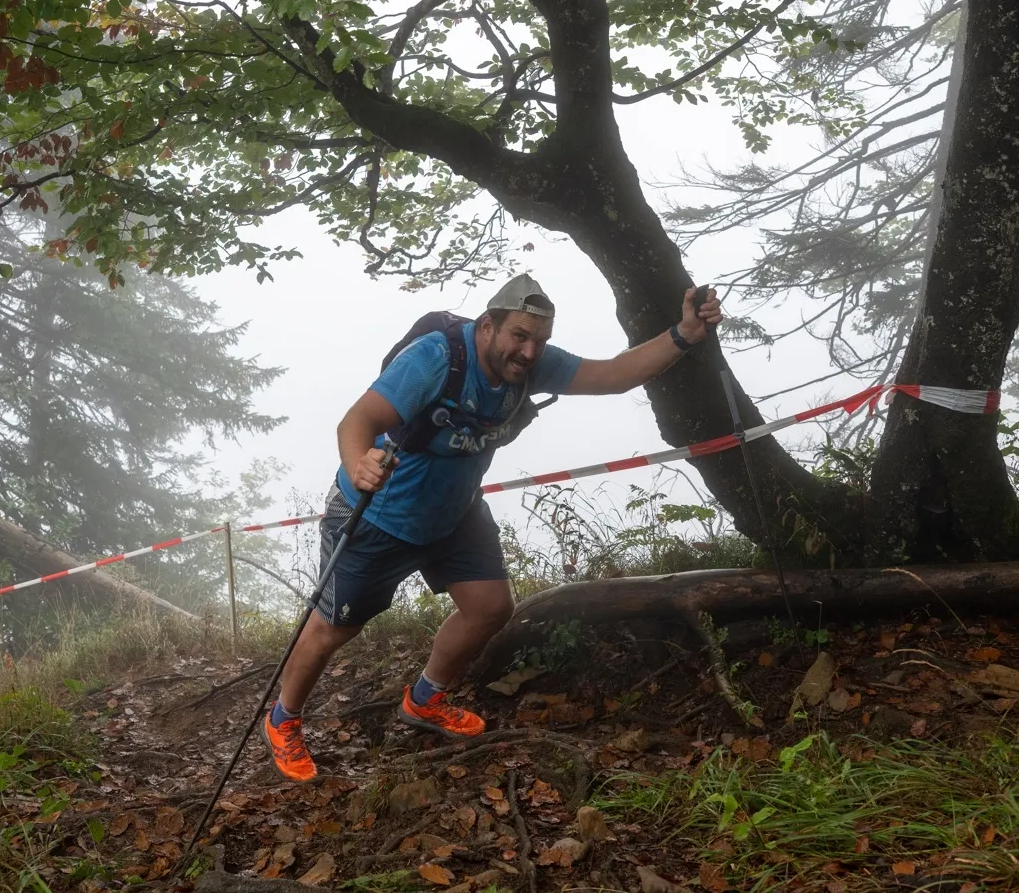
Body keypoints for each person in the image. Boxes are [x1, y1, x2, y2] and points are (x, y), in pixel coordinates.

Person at [263, 274, 723, 781]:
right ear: (488, 327)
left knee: (489, 608)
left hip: (455, 513)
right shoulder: (435, 360)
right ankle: (283, 720)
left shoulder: (531, 363)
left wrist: (684, 334)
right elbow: (357, 419)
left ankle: (424, 701)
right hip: (379, 514)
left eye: (539, 341)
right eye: (519, 336)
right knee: (333, 629)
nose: (529, 352)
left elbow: (613, 374)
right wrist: (358, 464)